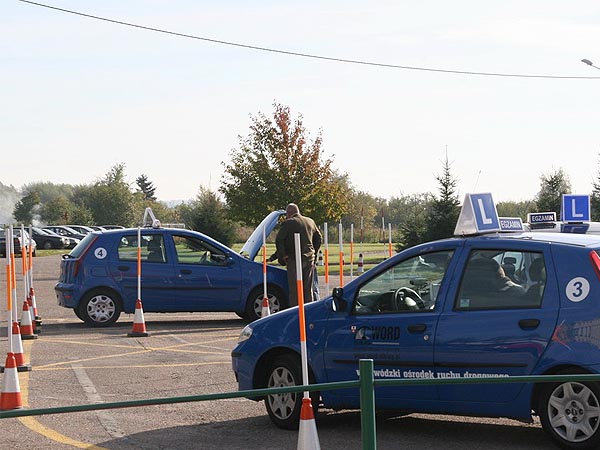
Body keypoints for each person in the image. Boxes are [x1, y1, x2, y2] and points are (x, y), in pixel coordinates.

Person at [275, 203, 322, 306]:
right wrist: (314, 252)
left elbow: (279, 240)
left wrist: (283, 256)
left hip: (294, 259)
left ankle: (296, 313)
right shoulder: (310, 221)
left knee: (295, 290)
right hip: (309, 259)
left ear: (288, 213)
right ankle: (308, 311)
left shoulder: (288, 223)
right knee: (307, 289)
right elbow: (318, 238)